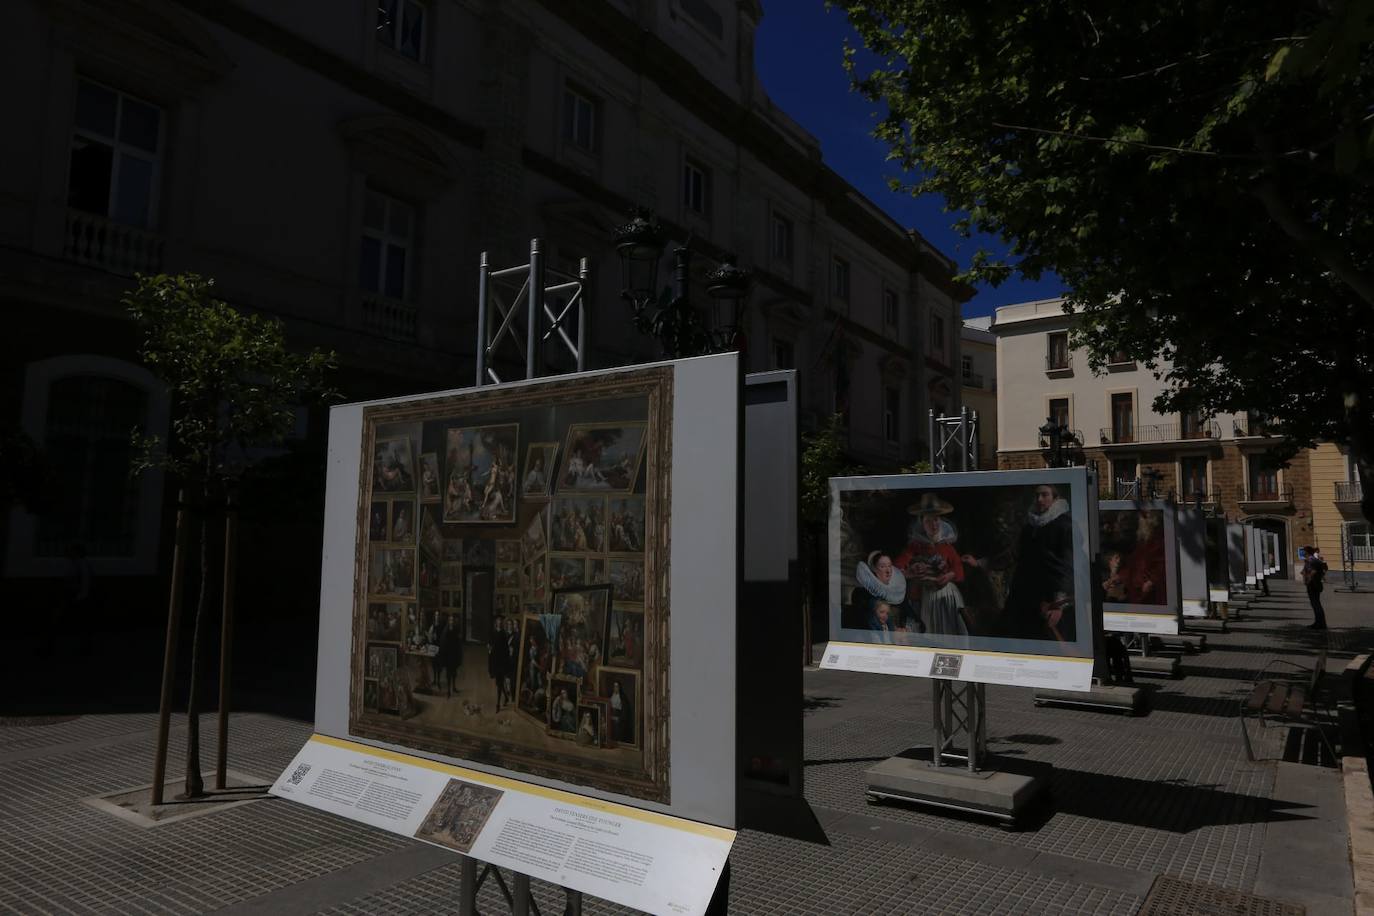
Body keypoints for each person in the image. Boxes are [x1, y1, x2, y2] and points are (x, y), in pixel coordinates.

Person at [965, 484, 1075, 642]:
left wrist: (1058, 604)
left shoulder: (1064, 525)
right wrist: (980, 563)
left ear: (1055, 498)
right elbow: (1013, 554)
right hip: (1022, 592)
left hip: (1048, 596)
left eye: (1045, 495)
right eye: (1037, 495)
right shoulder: (1030, 527)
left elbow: (1068, 565)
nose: (1039, 499)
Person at [896, 494, 969, 636]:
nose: (934, 525)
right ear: (922, 524)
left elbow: (958, 568)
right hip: (926, 599)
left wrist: (950, 575)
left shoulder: (947, 546)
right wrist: (910, 571)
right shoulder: (915, 546)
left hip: (948, 597)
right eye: (928, 521)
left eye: (936, 520)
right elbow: (898, 566)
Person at [851, 550, 911, 632]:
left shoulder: (897, 592)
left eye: (889, 566)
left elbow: (906, 615)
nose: (888, 571)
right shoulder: (864, 594)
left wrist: (903, 628)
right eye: (882, 567)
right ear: (875, 569)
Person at [1301, 545, 1328, 630]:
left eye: (1304, 551)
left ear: (1307, 552)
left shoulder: (1311, 560)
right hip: (1316, 584)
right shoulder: (1313, 560)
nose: (1303, 552)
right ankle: (1319, 622)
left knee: (1316, 604)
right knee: (1316, 604)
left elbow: (1313, 571)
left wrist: (1307, 580)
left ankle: (1320, 624)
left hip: (1313, 584)